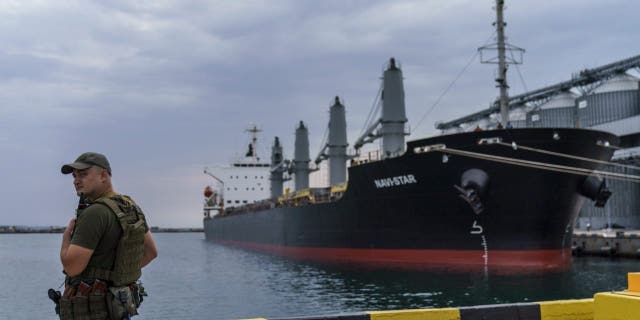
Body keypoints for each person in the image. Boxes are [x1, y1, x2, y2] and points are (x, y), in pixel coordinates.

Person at [57, 152, 158, 319]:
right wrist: (116, 279)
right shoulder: (130, 206)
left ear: (103, 175)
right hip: (117, 310)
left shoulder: (95, 212)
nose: (76, 180)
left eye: (83, 174)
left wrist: (66, 238)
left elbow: (72, 267)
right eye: (74, 176)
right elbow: (150, 253)